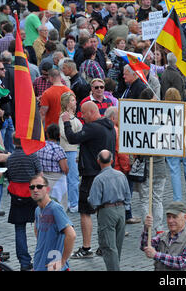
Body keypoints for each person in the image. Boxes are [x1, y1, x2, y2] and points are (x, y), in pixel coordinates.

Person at [62, 101, 116, 259]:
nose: (82, 117)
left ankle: (86, 248)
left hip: (91, 174)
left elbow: (72, 138)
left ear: (92, 112)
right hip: (106, 173)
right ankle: (104, 246)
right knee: (103, 210)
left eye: (84, 114)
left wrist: (66, 122)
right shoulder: (110, 128)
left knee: (85, 211)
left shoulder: (93, 127)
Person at [88, 150, 131, 271]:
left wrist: (89, 199)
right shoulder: (121, 175)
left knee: (109, 247)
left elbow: (94, 202)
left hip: (107, 212)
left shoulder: (99, 179)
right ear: (112, 161)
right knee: (117, 245)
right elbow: (128, 196)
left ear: (98, 161)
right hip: (121, 210)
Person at [5, 133, 43, 271]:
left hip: (17, 197)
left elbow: (8, 176)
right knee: (41, 227)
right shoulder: (32, 155)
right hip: (33, 195)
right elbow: (39, 175)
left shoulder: (10, 158)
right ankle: (41, 258)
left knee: (19, 229)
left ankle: (24, 263)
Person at [31, 175, 76, 271]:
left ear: (47, 189)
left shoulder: (55, 208)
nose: (35, 190)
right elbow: (38, 235)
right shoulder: (37, 210)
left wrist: (63, 261)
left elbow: (71, 235)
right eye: (32, 187)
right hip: (40, 265)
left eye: (39, 186)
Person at [140, 201, 186, 270]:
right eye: (169, 217)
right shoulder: (162, 236)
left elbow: (183, 263)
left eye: (174, 217)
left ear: (185, 217)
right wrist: (146, 228)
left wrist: (156, 255)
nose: (170, 221)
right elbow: (145, 247)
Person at [58, 92, 82, 213]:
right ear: (67, 103)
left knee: (73, 177)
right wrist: (77, 137)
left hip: (74, 149)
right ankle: (73, 203)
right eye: (72, 100)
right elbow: (64, 133)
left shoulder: (73, 116)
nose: (75, 102)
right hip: (69, 149)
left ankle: (71, 201)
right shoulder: (64, 116)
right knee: (72, 177)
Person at [36, 124, 69, 211]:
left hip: (43, 177)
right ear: (59, 135)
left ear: (47, 134)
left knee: (45, 203)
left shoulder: (40, 147)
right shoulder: (58, 149)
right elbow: (64, 168)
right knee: (59, 204)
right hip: (57, 179)